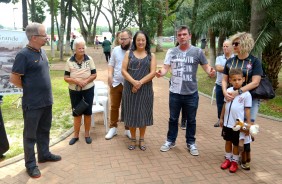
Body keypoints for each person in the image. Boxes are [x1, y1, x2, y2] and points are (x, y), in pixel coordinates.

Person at [10, 22, 61, 178]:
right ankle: (31, 165)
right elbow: (14, 78)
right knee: (30, 136)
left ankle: (44, 154)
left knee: (44, 130)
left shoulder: (42, 52)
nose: (46, 37)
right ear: (34, 37)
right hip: (32, 104)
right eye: (44, 35)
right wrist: (29, 89)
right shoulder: (23, 55)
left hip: (47, 101)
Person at [156, 25, 215, 156]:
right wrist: (161, 73)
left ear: (189, 36)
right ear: (177, 37)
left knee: (191, 120)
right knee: (173, 118)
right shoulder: (171, 52)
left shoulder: (197, 52)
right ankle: (170, 141)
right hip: (175, 92)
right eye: (179, 35)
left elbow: (206, 67)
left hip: (191, 93)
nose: (182, 37)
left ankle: (191, 143)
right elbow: (165, 68)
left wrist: (211, 72)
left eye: (184, 34)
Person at [222, 32, 263, 170]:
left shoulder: (254, 62)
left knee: (245, 127)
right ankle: (232, 156)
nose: (233, 46)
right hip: (231, 99)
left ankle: (245, 158)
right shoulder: (231, 61)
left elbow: (256, 82)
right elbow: (224, 79)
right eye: (233, 43)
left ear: (245, 44)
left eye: (236, 43)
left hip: (249, 99)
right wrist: (224, 92)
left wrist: (239, 91)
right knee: (232, 126)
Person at [121, 30, 156, 151]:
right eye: (138, 40)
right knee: (131, 114)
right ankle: (133, 139)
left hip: (145, 90)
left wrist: (139, 82)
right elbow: (123, 71)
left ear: (146, 41)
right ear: (134, 41)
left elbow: (152, 73)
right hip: (130, 89)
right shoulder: (128, 54)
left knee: (143, 114)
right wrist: (133, 82)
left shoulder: (151, 56)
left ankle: (141, 139)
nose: (141, 42)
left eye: (143, 40)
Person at [64, 37, 97, 146]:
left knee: (87, 113)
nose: (82, 50)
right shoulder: (69, 61)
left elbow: (94, 74)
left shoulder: (89, 59)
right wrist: (76, 81)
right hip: (74, 91)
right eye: (79, 48)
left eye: (83, 48)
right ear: (75, 49)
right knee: (76, 113)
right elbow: (66, 78)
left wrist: (86, 81)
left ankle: (87, 134)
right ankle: (76, 135)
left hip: (88, 89)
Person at [219, 68, 252, 173]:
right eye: (234, 80)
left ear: (243, 79)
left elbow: (247, 109)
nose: (236, 82)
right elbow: (225, 105)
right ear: (230, 80)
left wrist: (248, 123)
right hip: (227, 123)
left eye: (239, 79)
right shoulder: (228, 91)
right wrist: (221, 118)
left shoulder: (246, 94)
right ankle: (228, 159)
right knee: (227, 141)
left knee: (236, 143)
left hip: (238, 124)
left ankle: (234, 161)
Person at [106, 29, 132, 140]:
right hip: (116, 83)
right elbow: (111, 64)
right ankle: (113, 128)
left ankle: (128, 129)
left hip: (129, 84)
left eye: (124, 39)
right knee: (114, 106)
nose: (122, 41)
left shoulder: (134, 50)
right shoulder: (115, 50)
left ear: (130, 38)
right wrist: (109, 75)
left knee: (128, 108)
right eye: (120, 39)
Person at [214, 40, 234, 127]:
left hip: (232, 86)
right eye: (224, 46)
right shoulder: (219, 58)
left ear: (232, 47)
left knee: (232, 103)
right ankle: (220, 119)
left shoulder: (235, 58)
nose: (225, 48)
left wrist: (224, 69)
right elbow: (218, 68)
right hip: (219, 84)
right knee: (220, 103)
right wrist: (230, 69)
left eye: (227, 46)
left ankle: (230, 120)